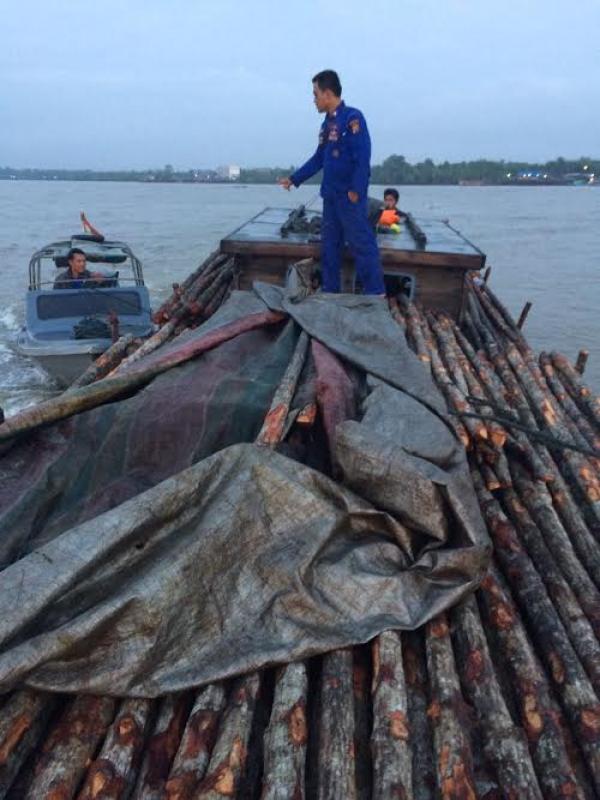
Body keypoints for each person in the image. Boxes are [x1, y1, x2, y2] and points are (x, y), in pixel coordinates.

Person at [278, 70, 385, 295]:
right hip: (330, 196)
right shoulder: (326, 125)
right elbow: (319, 158)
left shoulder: (352, 118)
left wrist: (356, 191)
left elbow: (362, 158)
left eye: (315, 94)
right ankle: (330, 293)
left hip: (349, 197)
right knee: (330, 248)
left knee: (362, 245)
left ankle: (376, 293)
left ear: (327, 94)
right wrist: (294, 179)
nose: (314, 100)